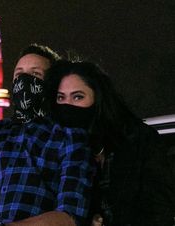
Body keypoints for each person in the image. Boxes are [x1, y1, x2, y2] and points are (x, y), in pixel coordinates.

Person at [0, 45, 95, 226]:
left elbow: (71, 215)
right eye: (18, 75)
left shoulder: (68, 137)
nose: (24, 81)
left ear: (53, 84)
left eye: (35, 75)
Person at [44, 60, 175, 226]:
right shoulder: (53, 149)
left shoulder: (139, 141)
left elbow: (160, 208)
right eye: (61, 98)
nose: (68, 106)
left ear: (98, 99)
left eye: (78, 97)